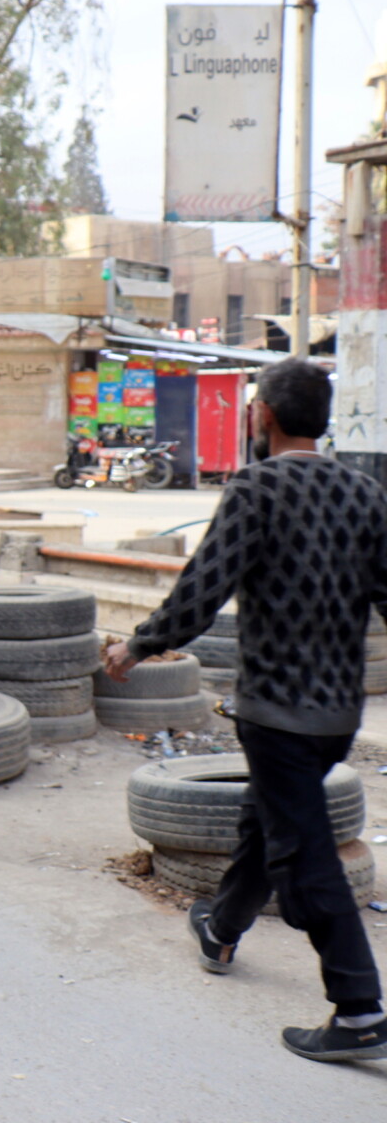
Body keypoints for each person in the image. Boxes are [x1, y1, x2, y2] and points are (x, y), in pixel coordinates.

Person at [102, 358, 386, 1063]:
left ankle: (358, 1007)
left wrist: (137, 647)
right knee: (270, 820)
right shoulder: (366, 494)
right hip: (336, 713)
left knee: (302, 853)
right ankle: (220, 928)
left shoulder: (255, 489)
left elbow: (202, 590)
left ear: (264, 417)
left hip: (277, 711)